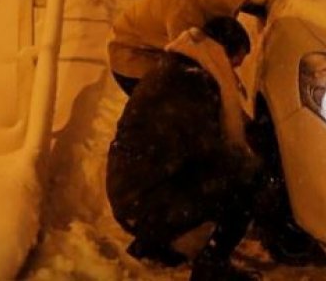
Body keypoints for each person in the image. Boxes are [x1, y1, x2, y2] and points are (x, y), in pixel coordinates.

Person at [106, 17, 262, 281]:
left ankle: (152, 243)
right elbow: (211, 152)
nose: (235, 70)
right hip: (144, 202)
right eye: (236, 61)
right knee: (246, 178)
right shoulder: (194, 85)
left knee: (214, 173)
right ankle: (211, 265)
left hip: (129, 194)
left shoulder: (175, 66)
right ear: (221, 51)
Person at [107, 0, 268, 95]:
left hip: (154, 48)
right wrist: (230, 87)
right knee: (181, 104)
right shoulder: (185, 19)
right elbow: (194, 66)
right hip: (132, 55)